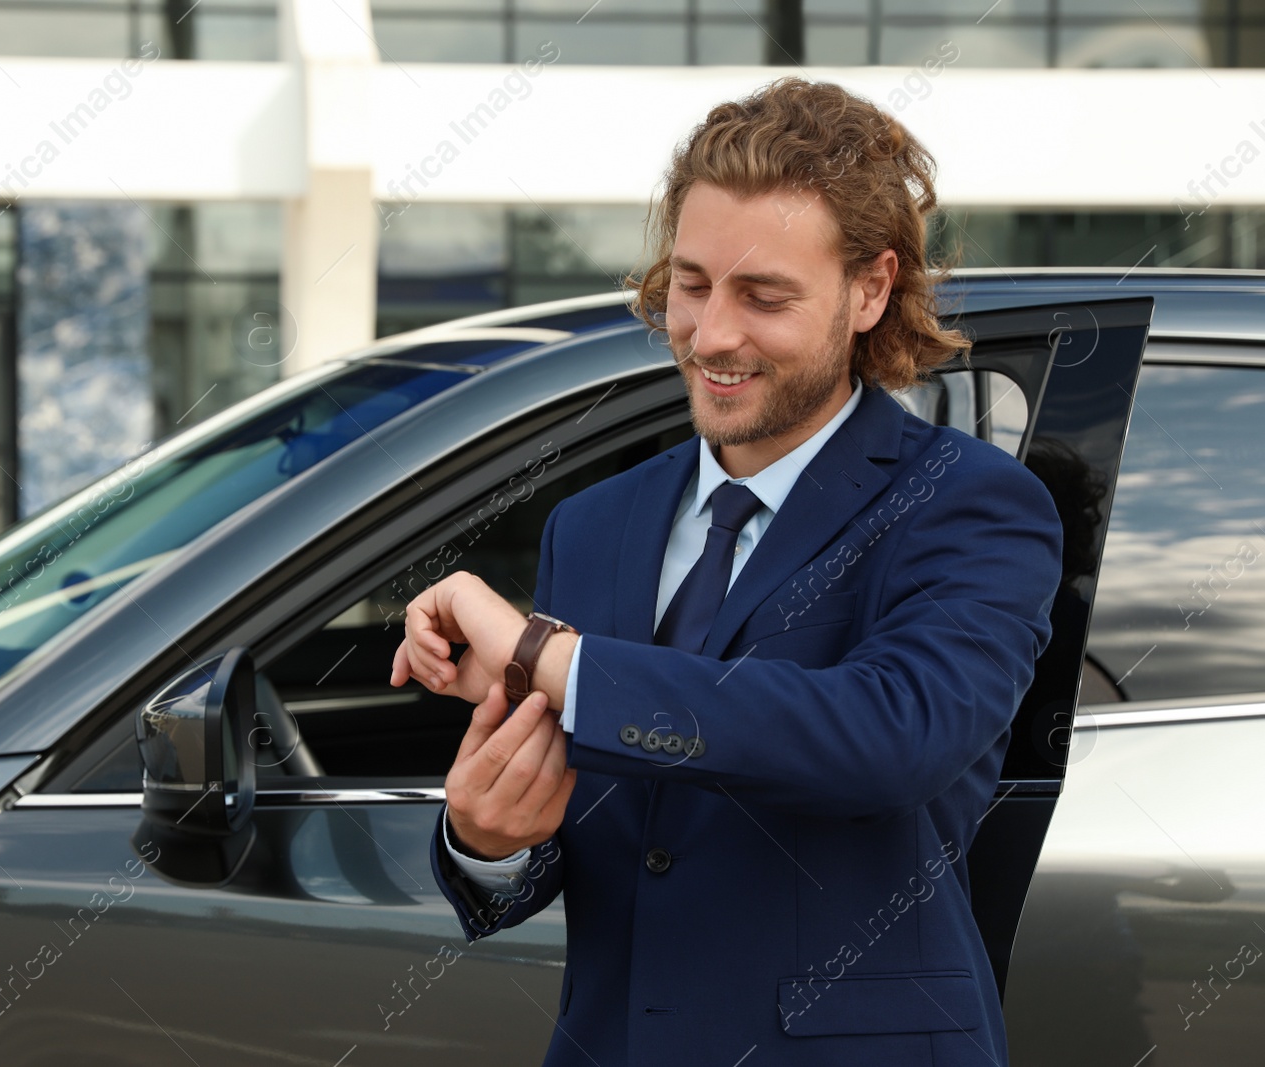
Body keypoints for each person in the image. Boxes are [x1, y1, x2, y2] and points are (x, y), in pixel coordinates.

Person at [388, 77, 1064, 1067]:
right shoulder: (592, 525)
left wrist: (549, 655)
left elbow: (889, 738)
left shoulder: (969, 502)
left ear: (870, 289)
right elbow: (598, 851)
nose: (708, 334)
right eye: (693, 283)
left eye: (764, 295)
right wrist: (491, 843)